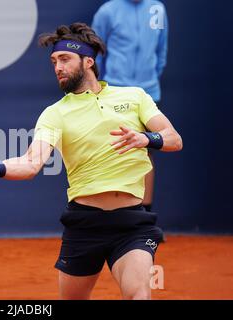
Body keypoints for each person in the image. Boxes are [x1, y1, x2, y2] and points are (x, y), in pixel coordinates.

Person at [0, 22, 182, 300]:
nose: (57, 67)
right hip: (84, 224)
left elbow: (173, 138)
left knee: (139, 295)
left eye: (65, 59)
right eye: (54, 61)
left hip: (132, 223)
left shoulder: (134, 97)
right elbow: (30, 164)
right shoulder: (55, 114)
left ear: (88, 61)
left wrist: (147, 139)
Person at [92, 0, 169, 212]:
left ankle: (145, 214)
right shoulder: (107, 11)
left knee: (146, 152)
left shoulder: (157, 9)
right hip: (114, 93)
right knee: (113, 151)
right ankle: (112, 213)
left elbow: (161, 52)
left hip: (148, 93)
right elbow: (95, 55)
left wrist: (148, 83)